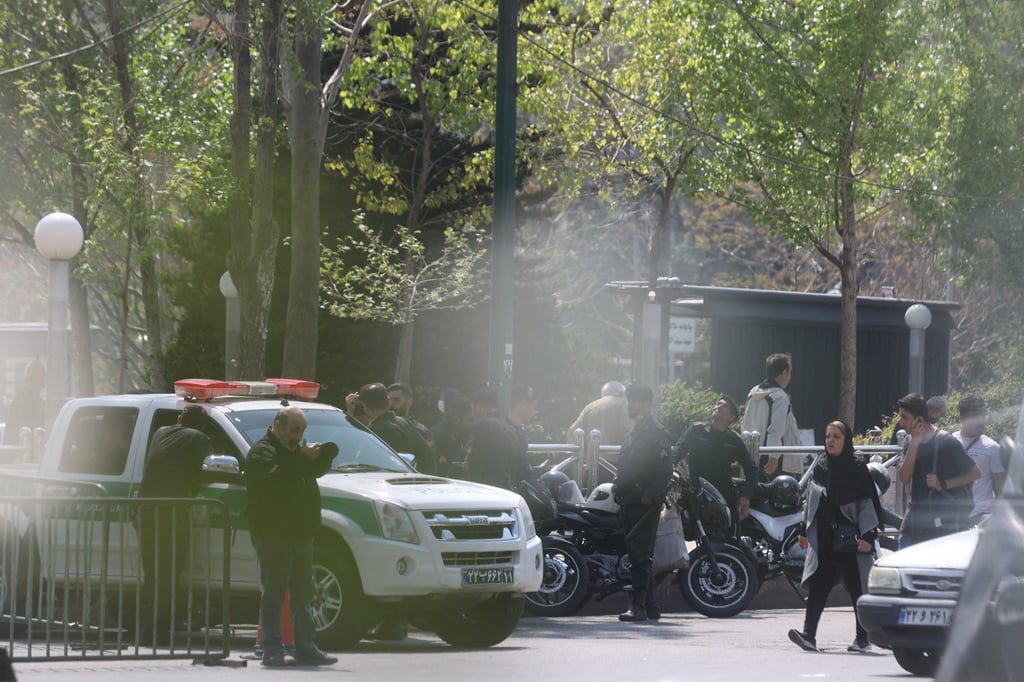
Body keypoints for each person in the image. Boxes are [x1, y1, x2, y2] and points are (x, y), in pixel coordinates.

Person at [244, 405, 337, 667]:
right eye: (295, 429)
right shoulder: (262, 452)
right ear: (278, 425)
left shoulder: (296, 452)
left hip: (301, 533)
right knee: (274, 592)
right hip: (274, 533)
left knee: (303, 593)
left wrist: (322, 457)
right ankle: (272, 648)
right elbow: (278, 479)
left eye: (303, 430)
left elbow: (311, 471)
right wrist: (302, 459)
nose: (299, 435)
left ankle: (305, 646)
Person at [788, 420, 883, 654]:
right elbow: (810, 499)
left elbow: (868, 506)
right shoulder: (821, 466)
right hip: (826, 540)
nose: (830, 441)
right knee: (819, 587)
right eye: (828, 436)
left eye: (836, 437)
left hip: (851, 542)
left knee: (857, 589)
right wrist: (803, 529)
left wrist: (868, 536)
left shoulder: (857, 470)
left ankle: (862, 639)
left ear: (846, 440)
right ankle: (809, 635)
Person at [136, 404, 212, 643]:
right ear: (203, 426)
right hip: (172, 513)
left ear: (180, 418)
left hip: (146, 511)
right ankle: (156, 632)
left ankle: (147, 631)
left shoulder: (160, 432)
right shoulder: (199, 438)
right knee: (168, 573)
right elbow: (207, 471)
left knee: (152, 574)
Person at [612, 384, 674, 623]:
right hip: (628, 500)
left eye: (636, 401)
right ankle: (651, 606)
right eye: (629, 401)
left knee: (640, 554)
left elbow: (665, 471)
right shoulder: (631, 434)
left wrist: (650, 496)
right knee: (638, 552)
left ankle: (637, 607)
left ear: (647, 405)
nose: (631, 405)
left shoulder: (658, 434)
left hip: (645, 503)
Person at [896, 393, 980, 549]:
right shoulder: (909, 440)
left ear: (919, 419)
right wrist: (915, 443)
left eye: (904, 418)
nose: (901, 423)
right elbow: (904, 477)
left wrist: (944, 484)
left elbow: (975, 473)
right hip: (913, 522)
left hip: (941, 526)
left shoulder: (947, 442)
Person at [672, 395, 757, 538]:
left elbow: (752, 468)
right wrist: (671, 467)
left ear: (731, 417)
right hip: (698, 496)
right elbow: (678, 450)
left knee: (728, 541)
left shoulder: (734, 439)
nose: (718, 406)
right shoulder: (696, 430)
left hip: (724, 497)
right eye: (717, 404)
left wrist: (746, 495)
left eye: (723, 406)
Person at [741, 353, 801, 479]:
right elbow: (776, 429)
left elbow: (744, 423)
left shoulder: (752, 393)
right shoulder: (780, 397)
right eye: (790, 372)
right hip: (773, 459)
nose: (790, 377)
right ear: (784, 373)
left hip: (752, 452)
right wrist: (774, 456)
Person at [465, 386, 536, 490]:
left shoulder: (481, 426)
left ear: (479, 407)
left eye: (472, 409)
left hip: (485, 490)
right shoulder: (510, 430)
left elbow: (476, 464)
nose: (472, 414)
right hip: (506, 490)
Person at [359, 383, 437, 475]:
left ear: (365, 407)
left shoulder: (378, 430)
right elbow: (429, 459)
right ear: (388, 401)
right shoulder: (404, 422)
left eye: (396, 400)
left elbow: (366, 465)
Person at [953, 395, 1005, 525]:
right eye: (975, 416)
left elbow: (1001, 487)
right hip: (952, 516)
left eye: (984, 416)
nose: (981, 421)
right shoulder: (949, 442)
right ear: (962, 418)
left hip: (982, 515)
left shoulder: (992, 447)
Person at [567, 380, 632, 447]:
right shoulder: (625, 403)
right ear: (622, 394)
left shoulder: (589, 407)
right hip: (617, 455)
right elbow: (628, 430)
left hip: (592, 456)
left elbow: (573, 431)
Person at [2, 360, 45, 445]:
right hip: (23, 452)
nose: (44, 383)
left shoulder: (35, 399)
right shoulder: (23, 400)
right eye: (42, 377)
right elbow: (28, 428)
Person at [431, 396, 474, 477]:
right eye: (470, 419)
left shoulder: (465, 434)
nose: (473, 424)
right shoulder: (436, 436)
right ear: (456, 420)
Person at [387, 383, 435, 448]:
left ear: (409, 402)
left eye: (396, 400)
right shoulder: (380, 426)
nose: (391, 405)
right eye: (388, 400)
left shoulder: (420, 432)